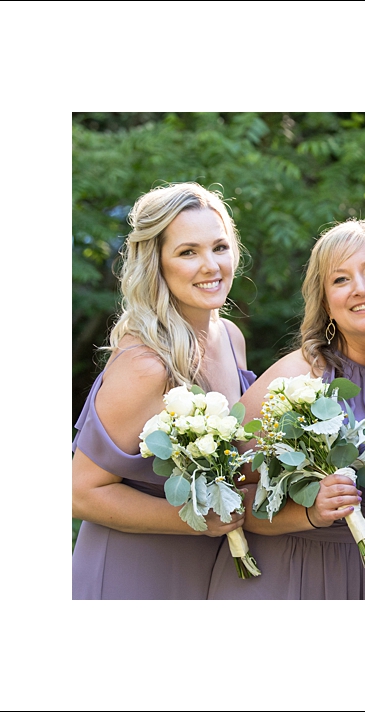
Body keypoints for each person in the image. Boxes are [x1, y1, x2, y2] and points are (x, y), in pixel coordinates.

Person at [207, 220, 365, 599]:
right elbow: (225, 491)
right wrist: (307, 512)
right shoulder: (297, 379)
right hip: (292, 575)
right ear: (325, 302)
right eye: (340, 280)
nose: (361, 288)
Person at [71, 182, 257, 599]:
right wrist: (197, 519)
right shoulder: (145, 364)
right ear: (156, 263)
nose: (210, 265)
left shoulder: (230, 337)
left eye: (220, 247)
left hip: (208, 573)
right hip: (132, 574)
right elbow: (79, 492)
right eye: (188, 252)